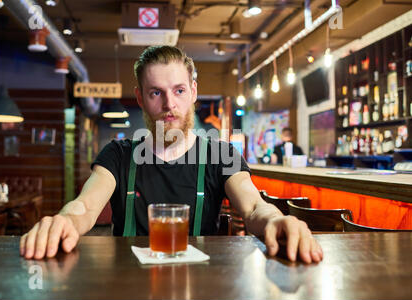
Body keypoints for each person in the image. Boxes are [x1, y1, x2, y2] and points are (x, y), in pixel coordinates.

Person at [20, 46, 323, 264]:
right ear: (140, 97)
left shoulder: (220, 154)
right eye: (156, 92)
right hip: (126, 284)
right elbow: (84, 207)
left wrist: (275, 219)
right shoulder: (118, 155)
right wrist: (63, 221)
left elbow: (255, 207)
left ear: (193, 92)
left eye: (178, 91)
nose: (169, 104)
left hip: (202, 287)